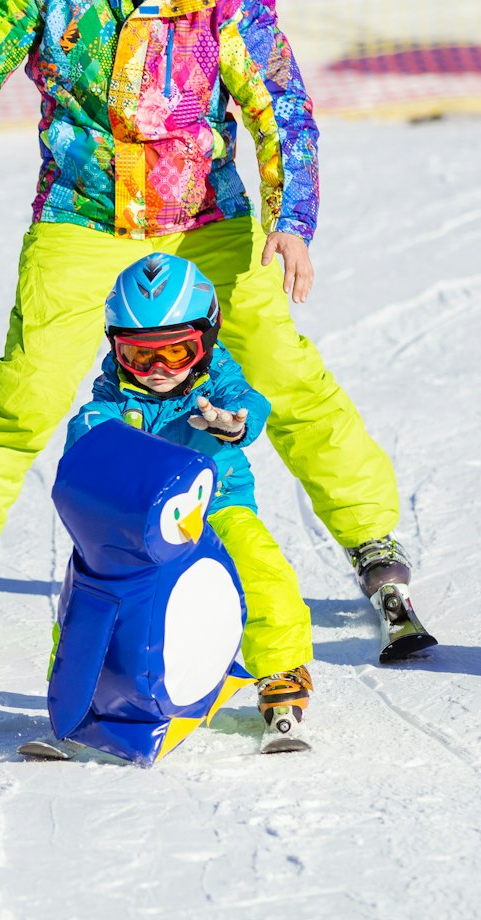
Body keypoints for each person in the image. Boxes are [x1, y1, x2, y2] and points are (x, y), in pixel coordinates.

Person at [0, 0, 411, 660]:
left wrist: (292, 220)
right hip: (83, 215)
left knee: (281, 370)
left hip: (206, 222)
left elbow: (280, 106)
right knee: (27, 387)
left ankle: (374, 540)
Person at [65, 254, 318, 735]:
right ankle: (89, 683)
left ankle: (282, 667)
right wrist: (91, 438)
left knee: (261, 569)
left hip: (217, 505)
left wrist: (233, 422)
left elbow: (248, 402)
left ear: (204, 340)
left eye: (175, 353)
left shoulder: (218, 381)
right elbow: (91, 429)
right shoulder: (114, 398)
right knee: (93, 591)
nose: (157, 368)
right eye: (138, 356)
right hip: (142, 521)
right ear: (116, 349)